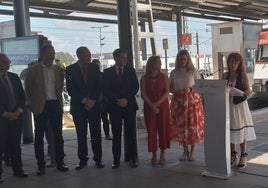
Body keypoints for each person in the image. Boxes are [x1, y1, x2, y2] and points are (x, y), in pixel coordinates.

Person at [25, 45, 69, 176]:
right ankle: (41, 165)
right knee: (39, 137)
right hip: (41, 106)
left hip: (55, 105)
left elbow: (60, 86)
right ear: (43, 54)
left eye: (53, 53)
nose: (52, 55)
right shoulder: (33, 70)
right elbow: (29, 89)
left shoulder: (58, 70)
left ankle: (60, 162)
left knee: (58, 136)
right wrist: (34, 103)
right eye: (50, 53)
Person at [65, 46, 104, 170]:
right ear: (79, 56)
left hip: (94, 106)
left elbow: (99, 86)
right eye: (87, 55)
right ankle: (82, 160)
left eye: (89, 54)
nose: (89, 57)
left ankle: (98, 159)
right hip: (78, 107)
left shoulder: (94, 67)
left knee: (96, 134)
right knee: (81, 135)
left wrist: (92, 100)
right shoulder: (70, 69)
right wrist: (84, 100)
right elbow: (71, 89)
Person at [103, 48, 139, 169]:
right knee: (116, 134)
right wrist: (117, 100)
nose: (125, 60)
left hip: (129, 106)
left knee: (131, 134)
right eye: (122, 58)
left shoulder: (130, 70)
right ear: (116, 58)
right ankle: (116, 160)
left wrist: (126, 99)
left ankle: (133, 158)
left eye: (126, 58)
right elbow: (106, 89)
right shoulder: (107, 72)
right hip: (115, 107)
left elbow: (135, 87)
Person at [169, 49, 204, 161]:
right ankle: (185, 150)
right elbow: (169, 87)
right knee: (182, 127)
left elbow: (199, 85)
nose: (182, 61)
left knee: (192, 127)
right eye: (180, 59)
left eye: (184, 59)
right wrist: (175, 91)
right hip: (178, 102)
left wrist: (190, 89)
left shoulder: (193, 71)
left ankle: (192, 152)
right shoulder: (174, 72)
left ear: (188, 59)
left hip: (192, 102)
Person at [223, 52, 256, 169]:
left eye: (235, 62)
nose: (232, 64)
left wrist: (247, 92)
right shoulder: (225, 75)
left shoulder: (242, 75)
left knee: (241, 131)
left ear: (239, 63)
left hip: (239, 106)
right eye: (231, 61)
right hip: (228, 106)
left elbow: (248, 90)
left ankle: (243, 155)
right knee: (230, 130)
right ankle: (233, 155)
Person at [0, 53, 28, 182]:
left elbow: (22, 96)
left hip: (16, 117)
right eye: (5, 62)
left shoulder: (14, 77)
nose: (7, 64)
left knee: (16, 145)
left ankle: (18, 170)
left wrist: (19, 111)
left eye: (8, 61)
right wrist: (5, 113)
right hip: (2, 118)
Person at [140, 55, 170, 165]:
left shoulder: (164, 77)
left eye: (160, 62)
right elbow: (143, 94)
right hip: (149, 106)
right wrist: (151, 105)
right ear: (151, 63)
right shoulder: (144, 78)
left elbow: (167, 92)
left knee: (163, 128)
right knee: (151, 130)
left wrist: (156, 104)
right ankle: (154, 154)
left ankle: (163, 153)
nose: (160, 64)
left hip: (162, 105)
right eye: (157, 62)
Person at [92, 59, 112, 140]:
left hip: (103, 100)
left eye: (98, 65)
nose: (97, 67)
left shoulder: (103, 74)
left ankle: (107, 134)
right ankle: (96, 136)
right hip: (94, 100)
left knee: (105, 118)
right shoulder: (90, 76)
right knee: (94, 120)